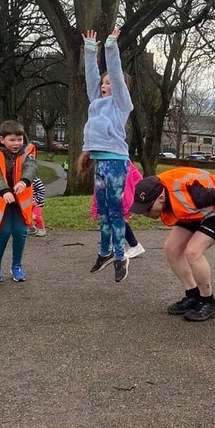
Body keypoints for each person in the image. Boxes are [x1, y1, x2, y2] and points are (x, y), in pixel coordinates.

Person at [131, 166, 215, 321]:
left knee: (193, 252)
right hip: (194, 211)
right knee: (171, 248)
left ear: (160, 198)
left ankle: (208, 302)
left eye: (147, 209)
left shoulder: (194, 194)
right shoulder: (157, 188)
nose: (146, 214)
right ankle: (193, 296)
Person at [81, 27, 135, 284]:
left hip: (116, 162)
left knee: (115, 211)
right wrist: (91, 51)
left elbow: (116, 73)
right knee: (102, 211)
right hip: (101, 162)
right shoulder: (95, 101)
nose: (105, 85)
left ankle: (120, 255)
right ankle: (104, 252)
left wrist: (111, 46)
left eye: (109, 83)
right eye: (104, 83)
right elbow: (91, 78)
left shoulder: (121, 104)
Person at [0, 120, 39, 283]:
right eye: (12, 140)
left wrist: (24, 181)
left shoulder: (28, 150)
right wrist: (5, 191)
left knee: (21, 233)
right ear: (2, 139)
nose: (17, 143)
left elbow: (31, 167)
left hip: (21, 200)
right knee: (3, 232)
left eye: (19, 139)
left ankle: (17, 266)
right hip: (3, 200)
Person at [89, 159, 145, 260]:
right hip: (115, 193)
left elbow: (135, 179)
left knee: (116, 219)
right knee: (113, 219)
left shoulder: (119, 160)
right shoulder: (110, 160)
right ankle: (126, 247)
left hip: (121, 194)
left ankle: (132, 246)